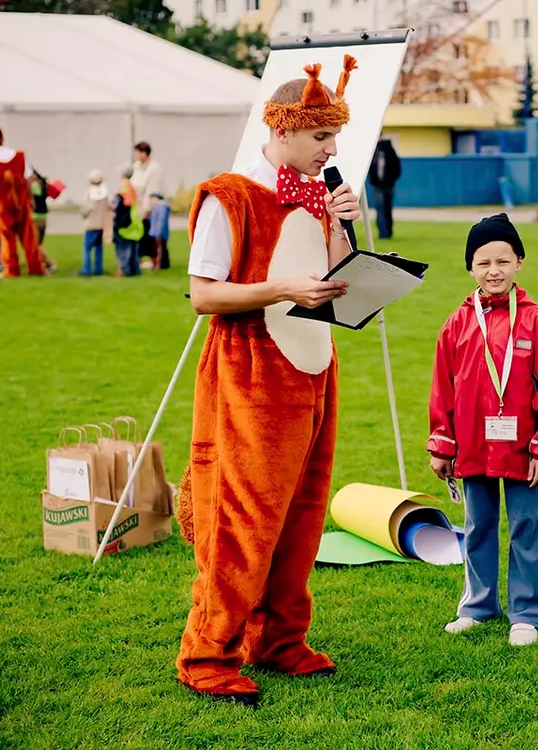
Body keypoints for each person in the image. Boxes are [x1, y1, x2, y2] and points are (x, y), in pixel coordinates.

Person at [174, 55, 361, 708]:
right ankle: (208, 651)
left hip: (312, 367)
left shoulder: (316, 196)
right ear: (281, 131)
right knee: (243, 518)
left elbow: (337, 279)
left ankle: (280, 638)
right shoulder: (227, 195)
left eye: (333, 137)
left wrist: (343, 227)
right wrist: (280, 288)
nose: (331, 150)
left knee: (303, 516)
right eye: (320, 137)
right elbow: (202, 295)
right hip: (252, 376)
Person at [428, 213, 538, 648]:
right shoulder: (457, 323)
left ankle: (528, 611)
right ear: (470, 267)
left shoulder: (535, 322)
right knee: (479, 526)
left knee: (526, 527)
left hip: (522, 450)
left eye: (503, 261)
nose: (494, 271)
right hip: (471, 447)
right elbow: (442, 387)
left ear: (519, 263)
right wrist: (442, 443)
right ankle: (479, 605)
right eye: (484, 262)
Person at [0, 127, 46, 278]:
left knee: (7, 237)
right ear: (2, 138)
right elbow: (28, 180)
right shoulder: (20, 157)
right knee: (28, 236)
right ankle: (35, 267)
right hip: (20, 201)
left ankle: (12, 269)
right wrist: (31, 199)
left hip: (2, 204)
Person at [130, 141, 163, 264]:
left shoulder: (154, 168)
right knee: (137, 233)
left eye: (138, 153)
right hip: (136, 205)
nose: (137, 156)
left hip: (148, 206)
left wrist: (147, 209)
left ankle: (151, 259)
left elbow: (152, 190)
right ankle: (137, 258)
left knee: (148, 234)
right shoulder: (136, 167)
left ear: (144, 153)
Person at [367, 134, 401, 240]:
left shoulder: (389, 150)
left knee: (387, 209)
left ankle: (388, 232)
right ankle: (383, 234)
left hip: (388, 185)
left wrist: (391, 179)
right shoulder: (373, 152)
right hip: (378, 185)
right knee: (381, 208)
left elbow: (396, 167)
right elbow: (371, 168)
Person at [112, 167, 143, 277]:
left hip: (126, 224)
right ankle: (135, 270)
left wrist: (116, 221)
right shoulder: (132, 188)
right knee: (133, 249)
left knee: (123, 249)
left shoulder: (123, 188)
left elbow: (120, 207)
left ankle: (124, 270)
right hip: (135, 222)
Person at [79, 169, 110, 277]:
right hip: (101, 224)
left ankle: (86, 269)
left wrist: (83, 215)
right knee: (98, 248)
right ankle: (98, 268)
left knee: (87, 248)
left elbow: (85, 208)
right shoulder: (104, 192)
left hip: (91, 224)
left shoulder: (88, 193)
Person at [147, 191, 171, 270]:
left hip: (159, 232)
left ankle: (159, 265)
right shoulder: (159, 206)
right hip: (158, 232)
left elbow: (161, 220)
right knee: (162, 248)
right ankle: (163, 264)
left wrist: (158, 232)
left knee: (159, 249)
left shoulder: (161, 206)